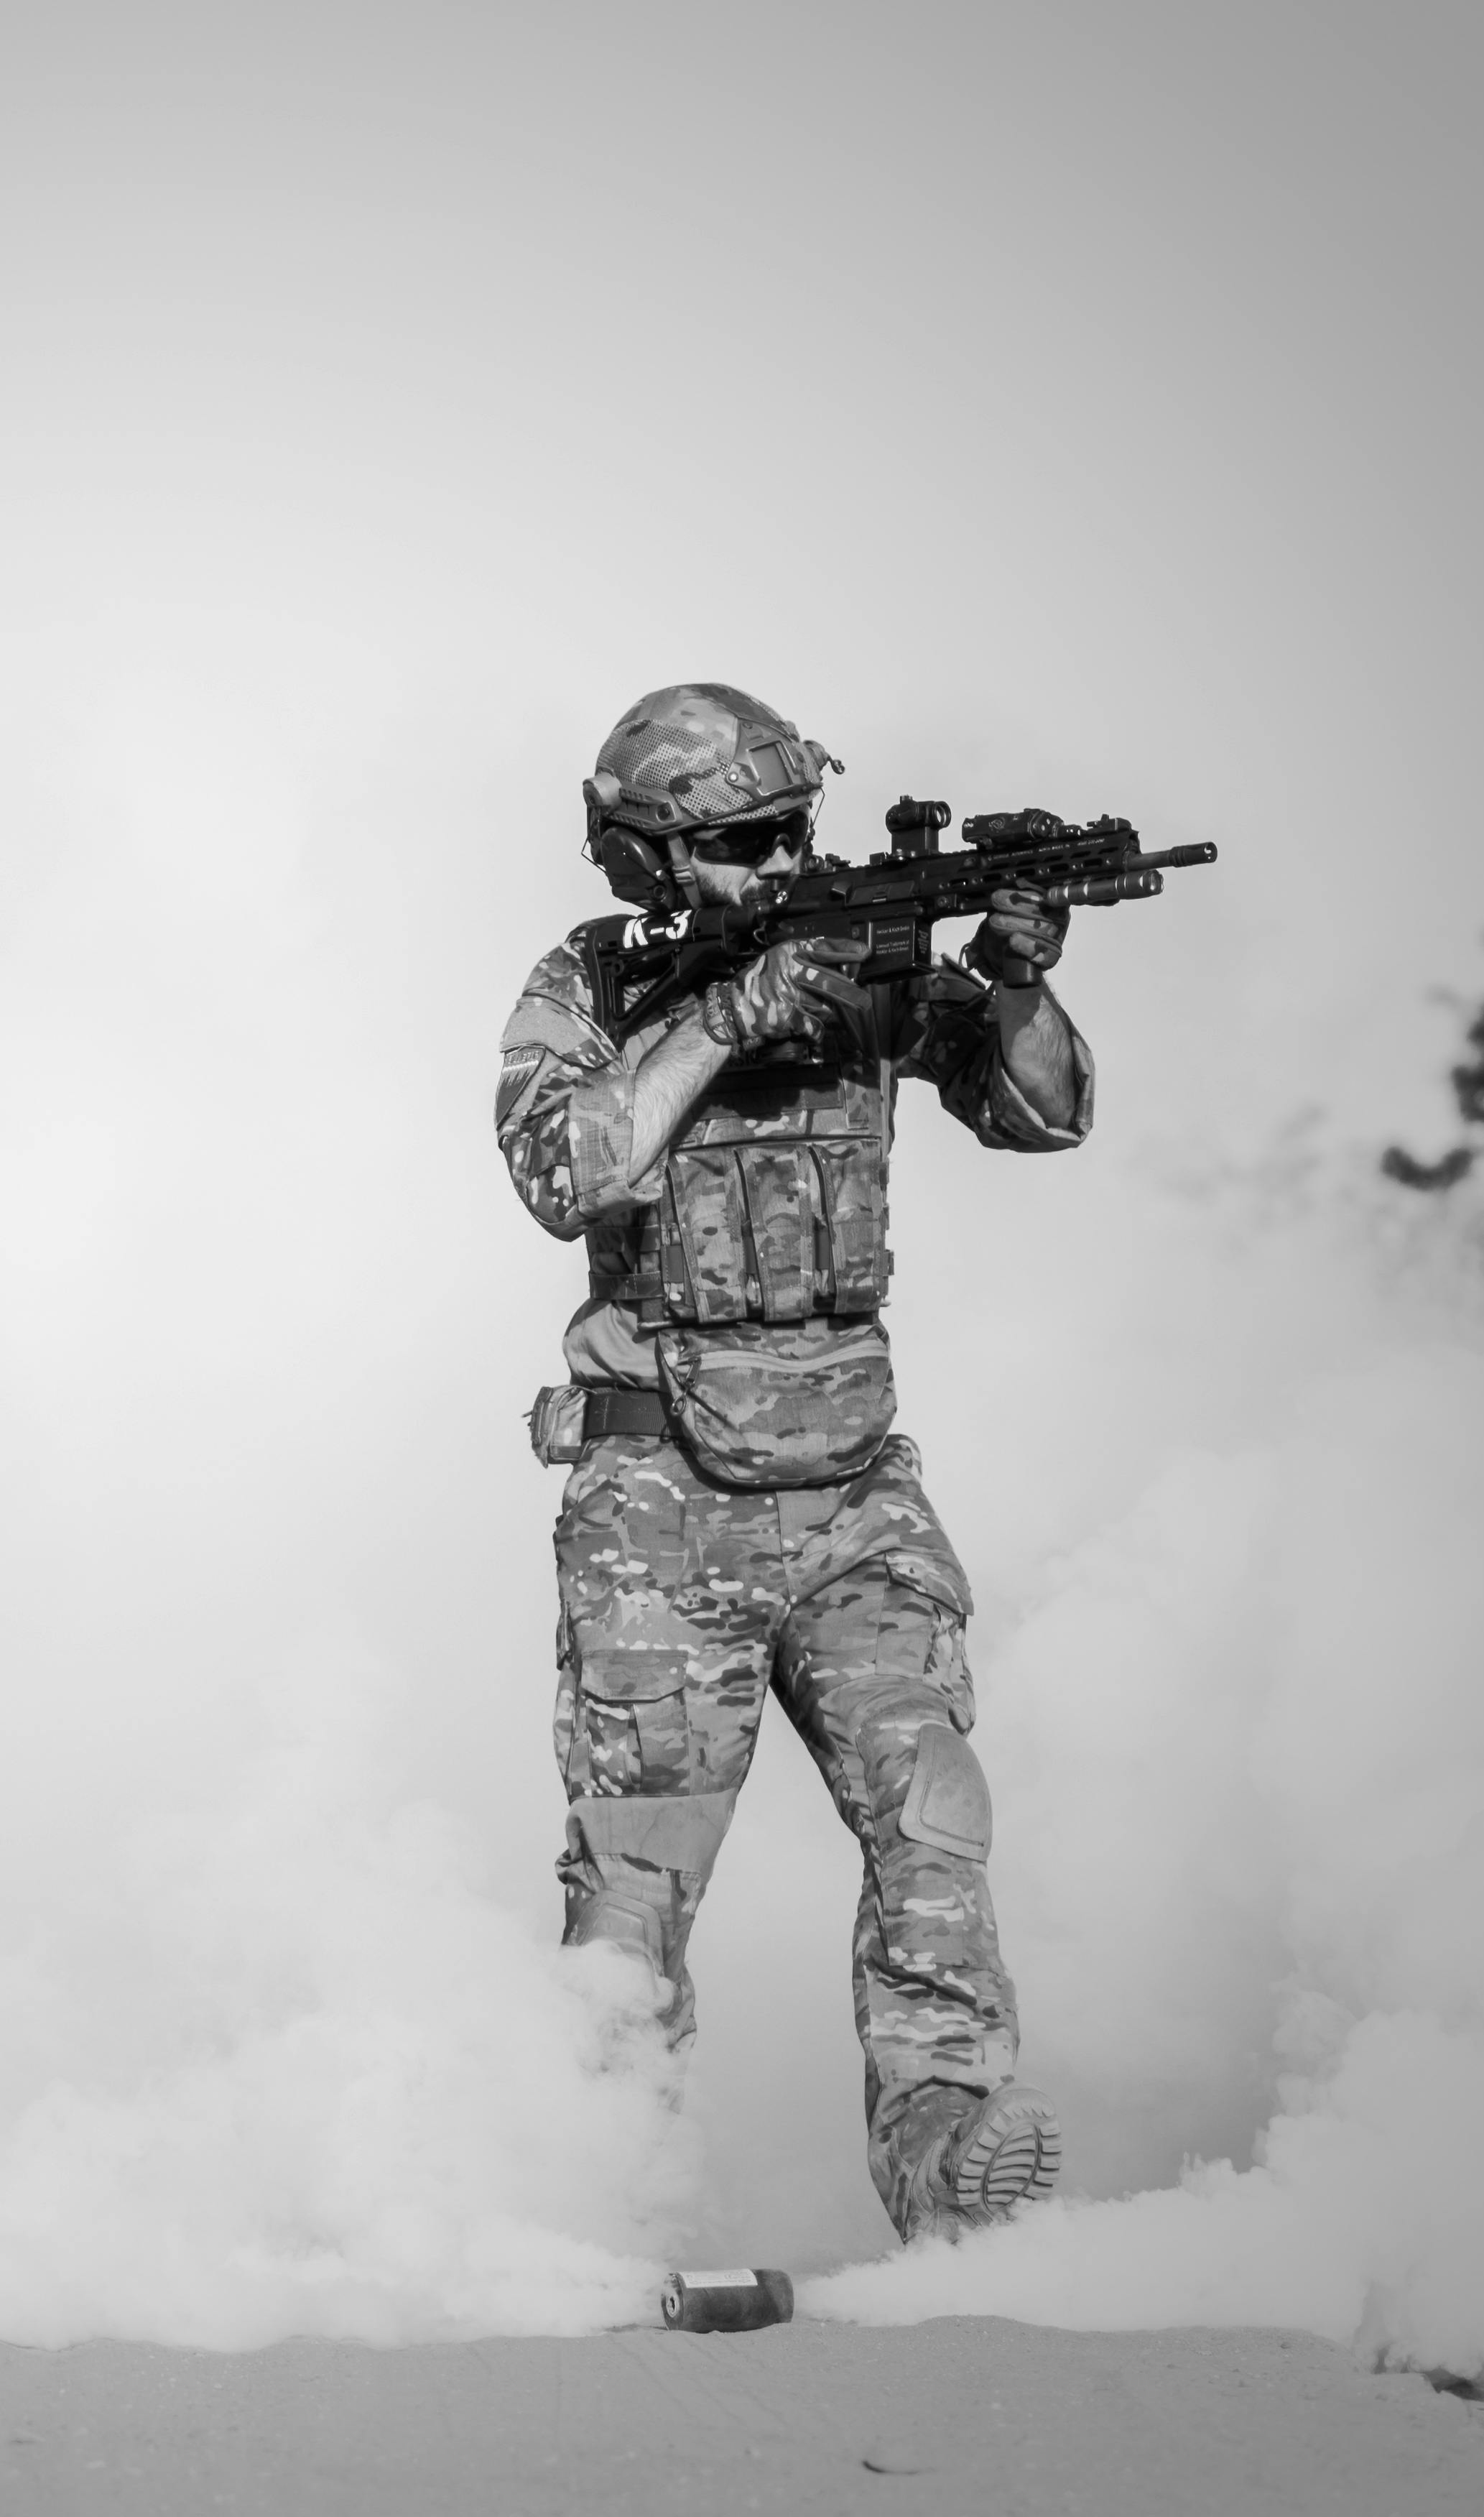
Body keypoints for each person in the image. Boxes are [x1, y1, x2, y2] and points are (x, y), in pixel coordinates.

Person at [494, 684, 1090, 2242]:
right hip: (657, 1504)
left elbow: (1045, 1119)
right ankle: (600, 2202)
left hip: (853, 1485)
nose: (771, 871)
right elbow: (564, 1171)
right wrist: (724, 1015)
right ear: (646, 863)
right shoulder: (592, 984)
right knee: (632, 1899)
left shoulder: (862, 969)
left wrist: (1013, 983)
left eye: (785, 838)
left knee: (931, 1820)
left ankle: (948, 2156)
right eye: (731, 848)